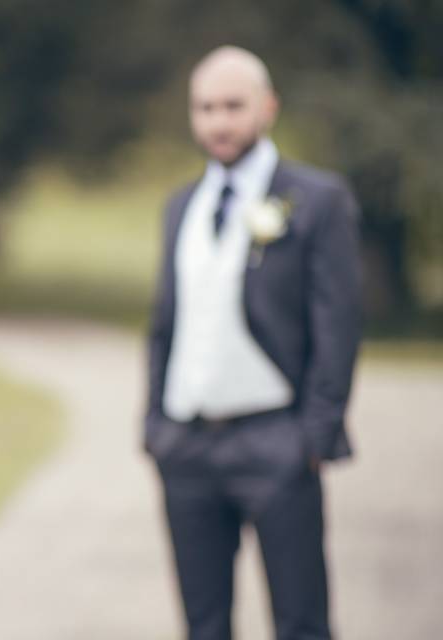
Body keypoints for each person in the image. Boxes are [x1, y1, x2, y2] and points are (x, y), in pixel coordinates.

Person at [143, 45, 363, 640]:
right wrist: (156, 428)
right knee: (203, 625)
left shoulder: (317, 201)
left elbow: (338, 324)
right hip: (187, 448)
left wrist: (312, 438)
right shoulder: (180, 206)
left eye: (232, 106)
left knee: (301, 623)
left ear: (266, 107)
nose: (218, 121)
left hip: (277, 442)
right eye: (205, 107)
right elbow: (166, 323)